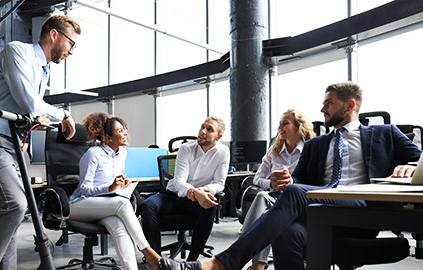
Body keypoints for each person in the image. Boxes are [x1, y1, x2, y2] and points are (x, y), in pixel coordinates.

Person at [158, 82, 422, 270]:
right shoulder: (317, 145)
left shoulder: (384, 133)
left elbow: (420, 155)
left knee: (294, 193)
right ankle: (228, 263)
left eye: (329, 103)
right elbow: (299, 182)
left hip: (361, 207)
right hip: (322, 207)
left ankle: (224, 263)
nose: (322, 110)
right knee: (287, 232)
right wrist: (285, 181)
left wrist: (412, 164)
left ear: (349, 105)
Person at [0, 15, 80, 269]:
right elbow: (28, 101)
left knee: (8, 214)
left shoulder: (43, 70)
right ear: (54, 35)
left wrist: (37, 116)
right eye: (71, 44)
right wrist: (63, 113)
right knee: (16, 205)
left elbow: (29, 108)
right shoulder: (16, 52)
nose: (71, 52)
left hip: (12, 146)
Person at [69, 112, 162, 270]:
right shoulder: (92, 155)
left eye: (125, 129)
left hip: (104, 206)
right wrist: (110, 188)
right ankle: (148, 252)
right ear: (108, 137)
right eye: (120, 131)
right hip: (79, 205)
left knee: (120, 229)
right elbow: (84, 189)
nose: (125, 133)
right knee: (122, 203)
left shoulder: (122, 154)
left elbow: (112, 183)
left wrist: (121, 185)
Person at [141, 116, 230, 261]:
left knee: (211, 206)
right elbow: (179, 181)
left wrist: (203, 190)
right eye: (202, 127)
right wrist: (194, 192)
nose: (202, 132)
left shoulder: (223, 152)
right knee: (147, 205)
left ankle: (192, 260)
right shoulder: (186, 148)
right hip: (173, 197)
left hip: (195, 201)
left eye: (209, 130)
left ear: (218, 137)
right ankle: (156, 259)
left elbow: (219, 183)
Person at [240, 108, 316, 270]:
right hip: (274, 195)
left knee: (267, 215)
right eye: (279, 124)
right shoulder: (274, 151)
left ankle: (247, 252)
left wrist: (292, 184)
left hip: (298, 199)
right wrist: (271, 184)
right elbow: (257, 178)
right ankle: (256, 263)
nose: (279, 128)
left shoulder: (310, 149)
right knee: (262, 195)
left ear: (298, 126)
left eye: (285, 124)